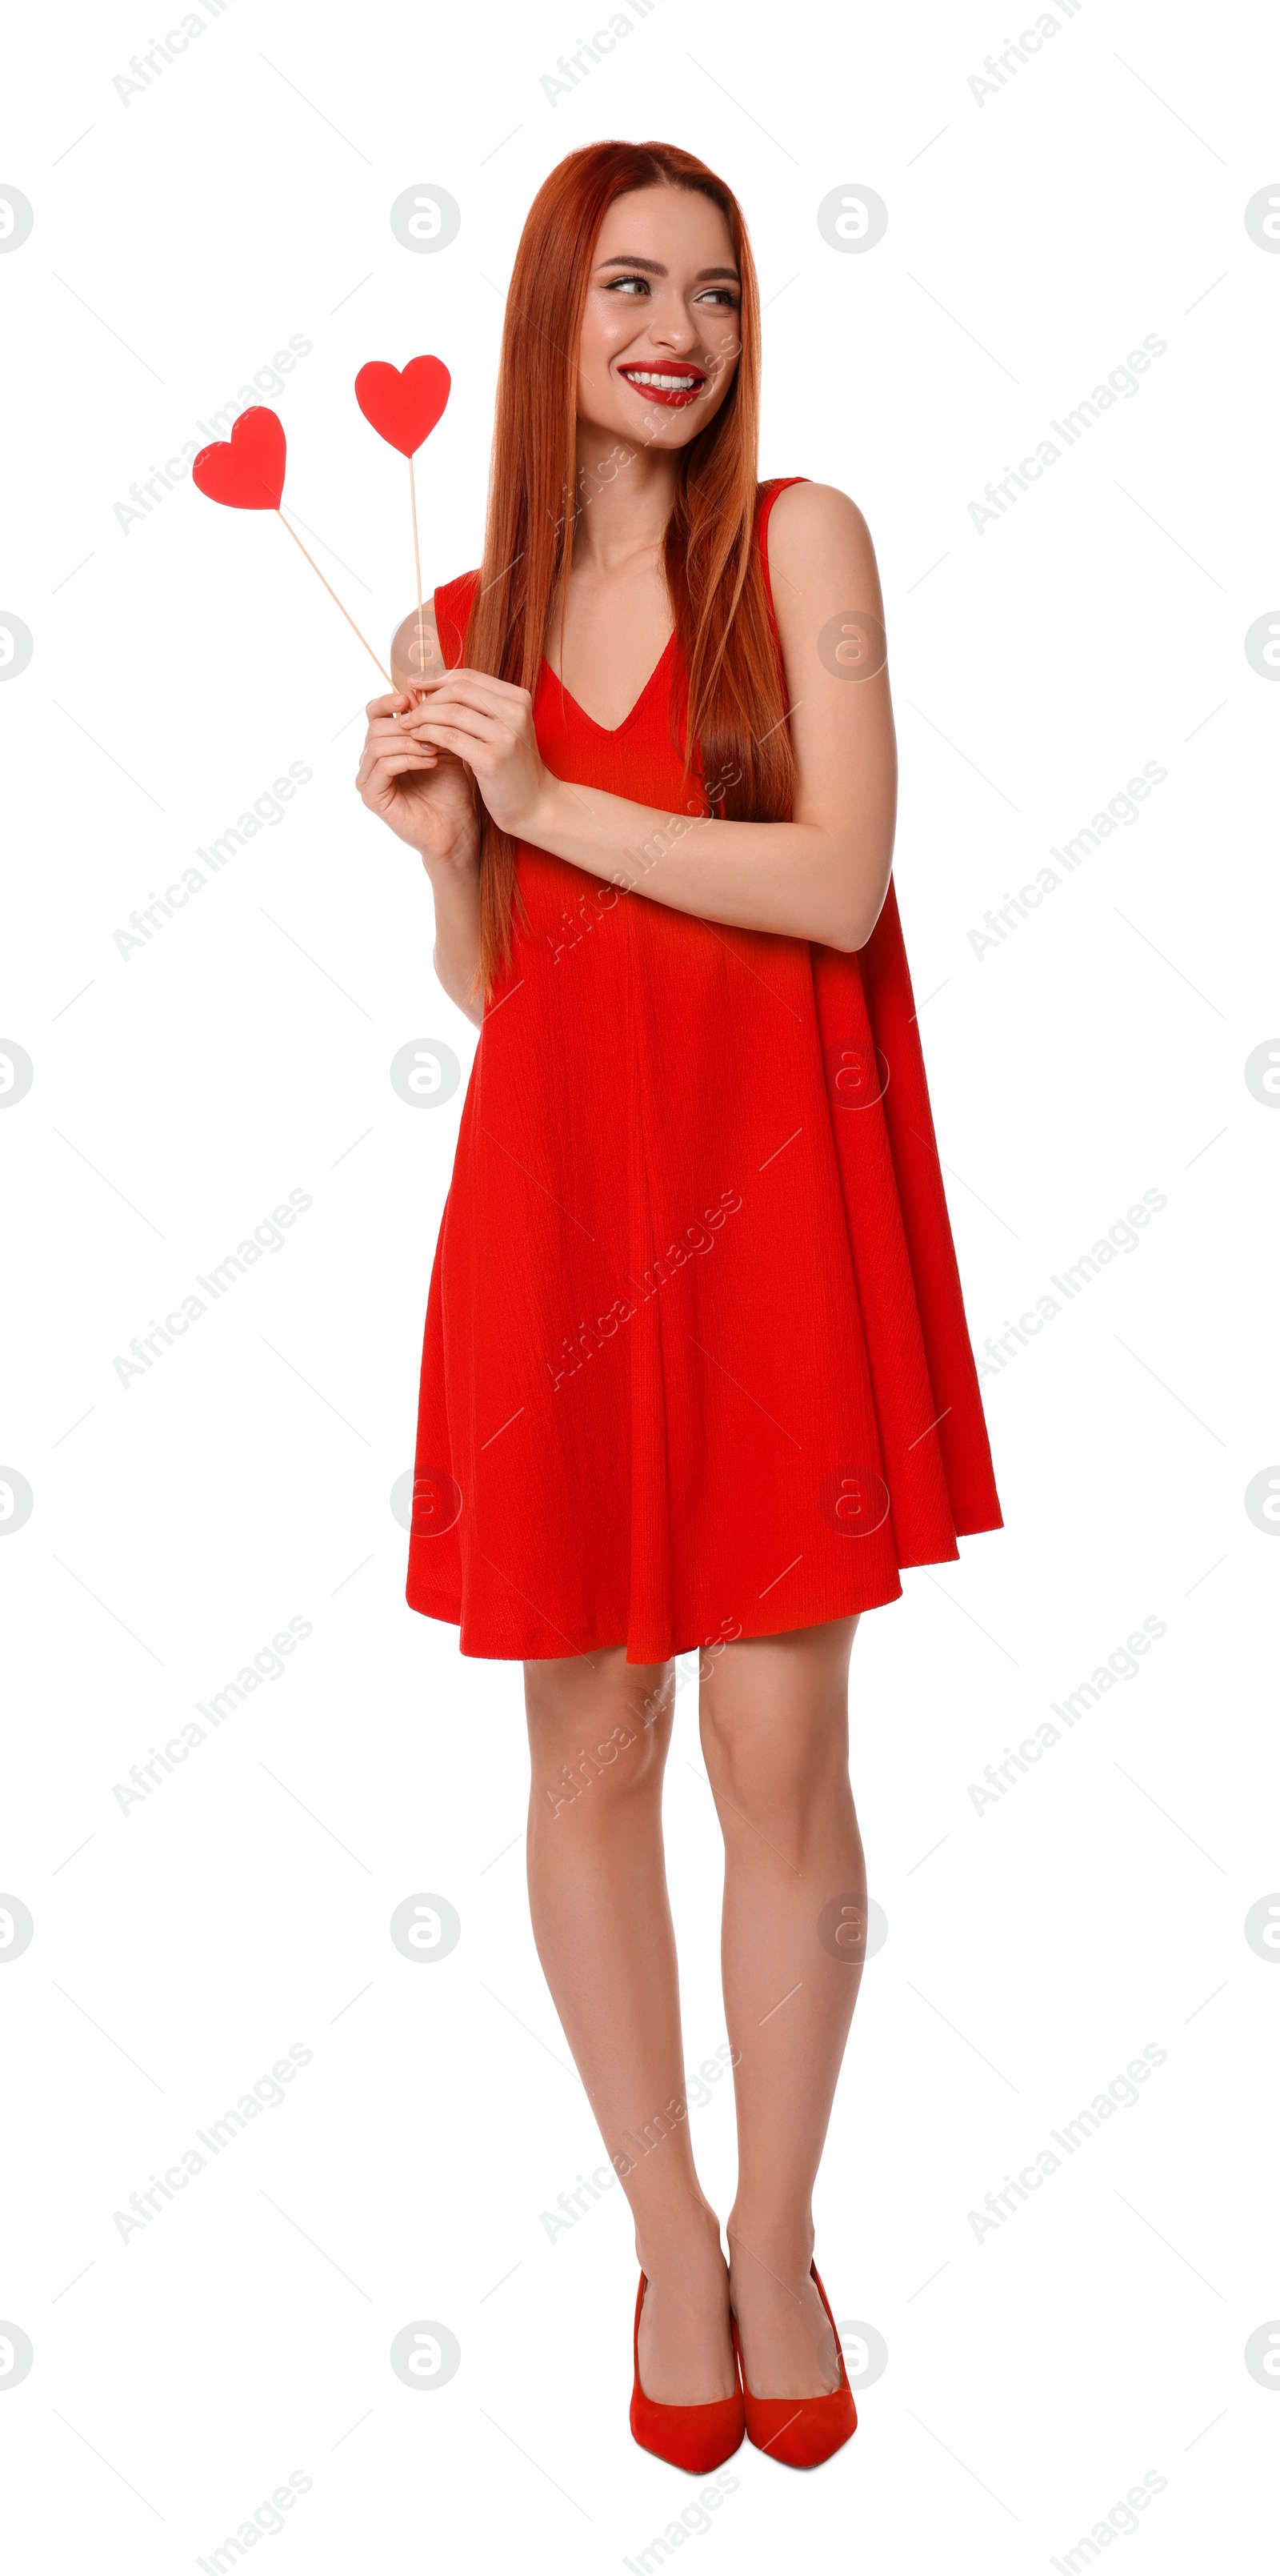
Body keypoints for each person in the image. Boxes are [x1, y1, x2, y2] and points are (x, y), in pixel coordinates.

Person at [356, 139, 1002, 2473]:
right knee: (589, 1749)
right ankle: (664, 2235)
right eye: (632, 285)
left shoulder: (796, 541)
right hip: (554, 1231)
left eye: (715, 292)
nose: (681, 330)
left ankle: (791, 2224)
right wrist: (459, 855)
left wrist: (542, 797)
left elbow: (836, 886)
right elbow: (508, 981)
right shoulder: (458, 619)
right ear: (548, 316)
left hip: (777, 1216)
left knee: (778, 1753)